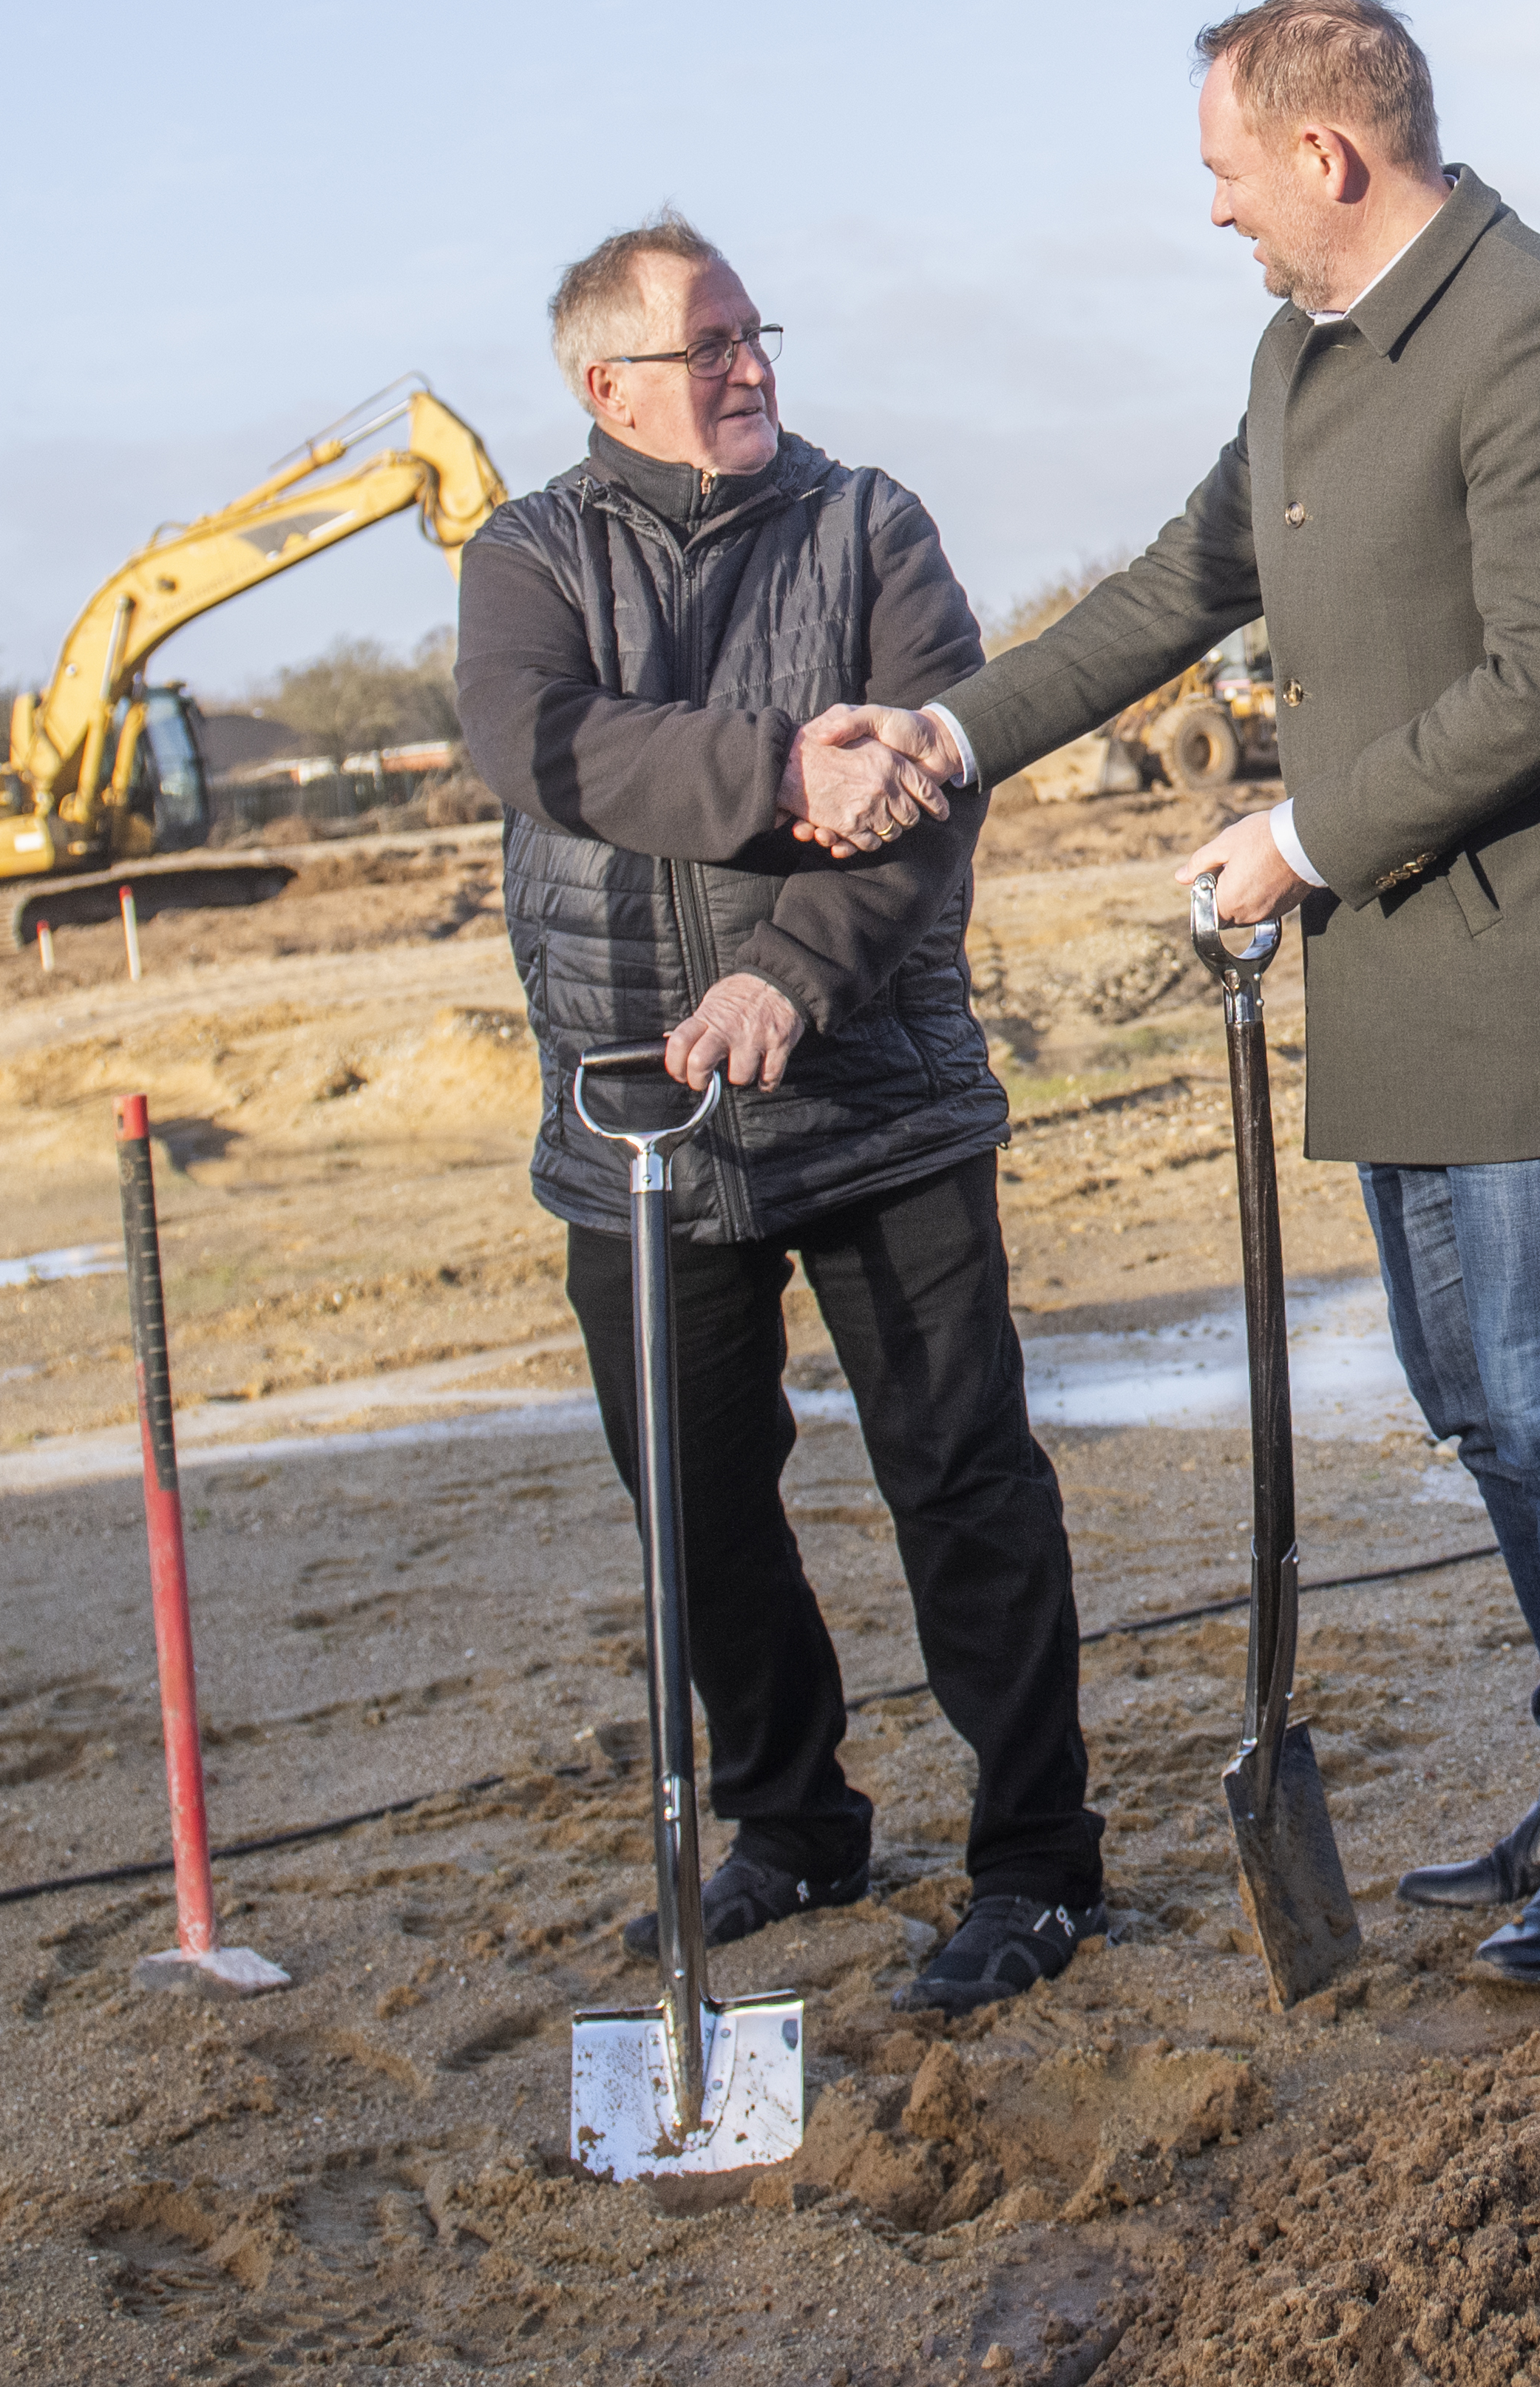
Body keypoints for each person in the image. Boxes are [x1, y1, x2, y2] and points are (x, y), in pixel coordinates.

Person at [818, 0, 1540, 1989]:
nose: (1216, 211)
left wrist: (1299, 840)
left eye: (1228, 171)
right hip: (1406, 968)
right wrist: (953, 736)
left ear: (1328, 154)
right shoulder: (1300, 352)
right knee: (1473, 1395)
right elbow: (1176, 582)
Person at [452, 214, 1101, 2014]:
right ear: (608, 385)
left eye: (756, 332)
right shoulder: (520, 559)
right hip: (634, 1125)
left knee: (962, 1481)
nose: (751, 366)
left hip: (873, 1096)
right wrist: (777, 767)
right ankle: (796, 1818)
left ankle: (1038, 1857)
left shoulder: (869, 522)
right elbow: (548, 747)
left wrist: (789, 977)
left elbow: (925, 795)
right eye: (711, 342)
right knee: (700, 1504)